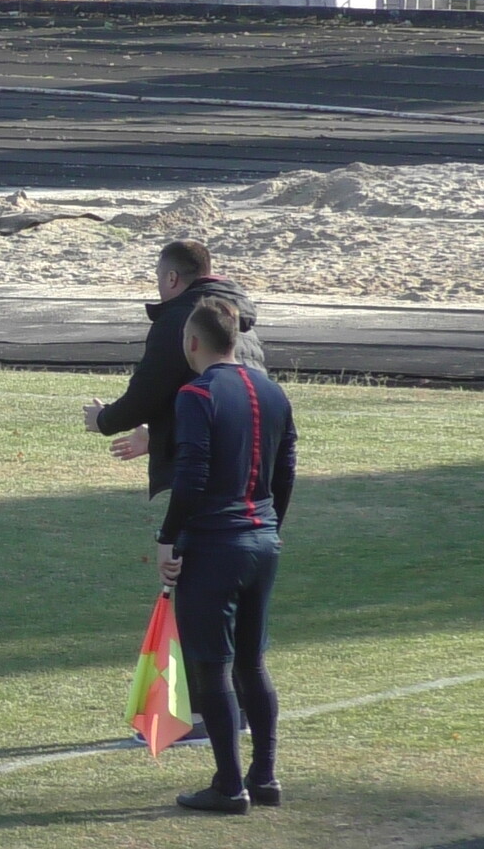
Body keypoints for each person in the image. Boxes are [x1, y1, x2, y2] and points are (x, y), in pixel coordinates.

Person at [158, 296, 295, 814]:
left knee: (211, 666)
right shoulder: (272, 391)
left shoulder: (196, 394)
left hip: (217, 545)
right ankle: (264, 775)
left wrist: (168, 536)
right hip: (263, 541)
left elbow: (191, 474)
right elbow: (286, 470)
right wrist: (270, 524)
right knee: (252, 663)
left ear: (193, 342)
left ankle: (229, 784)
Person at [83, 239, 263, 492]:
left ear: (171, 278)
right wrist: (158, 438)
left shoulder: (180, 318)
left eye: (158, 277)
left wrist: (104, 420)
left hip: (199, 468)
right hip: (250, 465)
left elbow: (150, 391)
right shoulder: (242, 320)